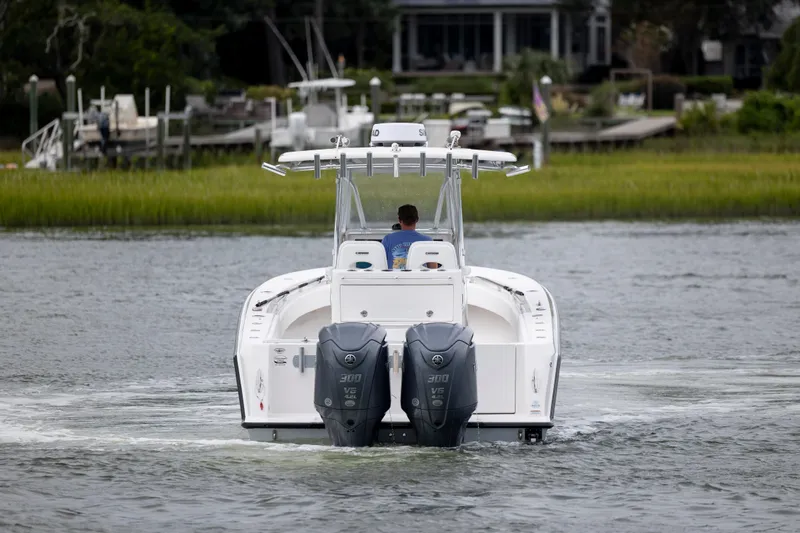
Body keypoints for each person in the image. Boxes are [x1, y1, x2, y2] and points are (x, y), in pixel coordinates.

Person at [381, 204, 432, 269]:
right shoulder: (427, 241)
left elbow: (381, 266)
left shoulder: (387, 239)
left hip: (395, 278)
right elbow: (433, 269)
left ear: (399, 220)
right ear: (417, 219)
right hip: (418, 279)